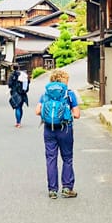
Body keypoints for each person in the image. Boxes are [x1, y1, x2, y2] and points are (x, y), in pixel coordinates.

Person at [35, 68, 81, 199]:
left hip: (49, 129)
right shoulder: (69, 94)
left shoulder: (46, 94)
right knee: (67, 158)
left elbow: (37, 111)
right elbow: (77, 114)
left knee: (51, 158)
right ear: (64, 80)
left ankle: (52, 190)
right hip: (65, 129)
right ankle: (67, 188)